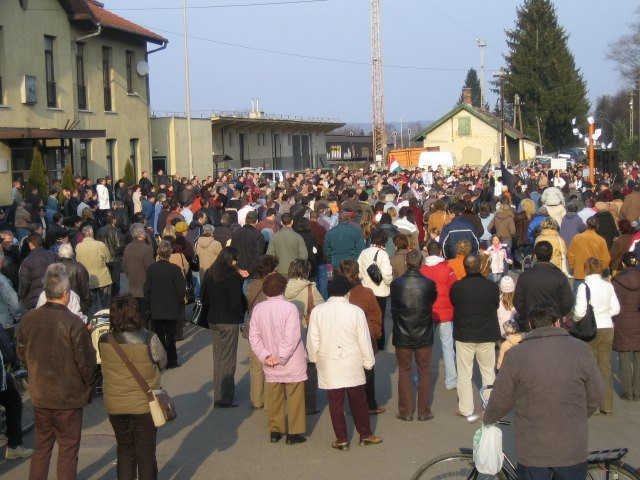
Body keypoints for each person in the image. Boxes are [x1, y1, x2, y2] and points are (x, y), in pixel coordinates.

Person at [484, 304, 604, 479]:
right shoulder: (580, 349)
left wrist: (489, 416)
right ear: (557, 323)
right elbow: (596, 393)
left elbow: (502, 397)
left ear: (531, 325)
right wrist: (579, 414)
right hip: (571, 446)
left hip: (533, 448)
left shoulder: (516, 354)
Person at [16, 267, 96, 480]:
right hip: (68, 396)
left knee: (42, 447)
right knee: (68, 450)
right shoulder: (74, 323)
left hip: (41, 393)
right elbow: (87, 362)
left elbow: (21, 352)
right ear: (66, 294)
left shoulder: (28, 320)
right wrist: (87, 387)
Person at [306, 275, 382, 451]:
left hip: (328, 360)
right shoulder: (355, 311)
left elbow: (313, 339)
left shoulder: (318, 311)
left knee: (335, 402)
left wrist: (314, 358)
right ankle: (365, 434)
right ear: (348, 292)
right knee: (359, 400)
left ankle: (341, 439)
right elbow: (363, 339)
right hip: (352, 360)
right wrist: (368, 361)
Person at [98, 295, 167, 479]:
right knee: (146, 453)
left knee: (125, 450)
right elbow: (162, 360)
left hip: (115, 404)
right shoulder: (149, 338)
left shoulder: (105, 340)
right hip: (144, 405)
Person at [249, 273, 308, 445]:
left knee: (274, 397)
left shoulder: (259, 308)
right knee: (295, 397)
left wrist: (265, 355)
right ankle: (294, 433)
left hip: (269, 360)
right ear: (284, 288)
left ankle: (275, 430)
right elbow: (292, 336)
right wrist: (281, 356)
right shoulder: (289, 308)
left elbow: (254, 336)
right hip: (291, 360)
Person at [450, 254, 501, 417]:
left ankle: (466, 408)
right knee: (488, 371)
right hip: (487, 333)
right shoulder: (492, 286)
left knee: (464, 373)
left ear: (465, 268)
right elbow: (496, 304)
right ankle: (489, 406)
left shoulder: (457, 287)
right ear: (479, 266)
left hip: (465, 333)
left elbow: (454, 303)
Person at [390, 250, 437, 422]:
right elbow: (432, 300)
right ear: (421, 263)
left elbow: (394, 305)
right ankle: (423, 411)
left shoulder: (397, 283)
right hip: (423, 331)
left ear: (406, 263)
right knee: (424, 371)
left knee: (404, 371)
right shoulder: (429, 284)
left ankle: (406, 411)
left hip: (402, 331)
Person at [201, 246, 247, 408]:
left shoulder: (210, 272)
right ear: (231, 259)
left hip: (213, 319)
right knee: (228, 360)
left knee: (218, 357)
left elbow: (204, 297)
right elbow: (236, 302)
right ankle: (224, 397)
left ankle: (219, 394)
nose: (237, 262)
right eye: (236, 259)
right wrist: (242, 313)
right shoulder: (233, 277)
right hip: (229, 320)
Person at [574, 257, 620, 415]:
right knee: (605, 367)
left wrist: (575, 320)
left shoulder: (584, 286)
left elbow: (579, 312)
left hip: (590, 329)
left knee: (590, 367)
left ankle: (592, 406)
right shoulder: (608, 286)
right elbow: (616, 308)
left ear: (586, 269)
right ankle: (607, 405)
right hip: (607, 327)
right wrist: (604, 314)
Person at [338, 259, 384, 415]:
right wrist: (376, 334)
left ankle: (350, 404)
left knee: (346, 373)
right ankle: (370, 404)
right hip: (365, 336)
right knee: (368, 372)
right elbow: (376, 316)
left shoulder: (337, 294)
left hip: (343, 338)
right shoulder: (366, 292)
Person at [284, 259, 324, 415]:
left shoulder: (284, 287)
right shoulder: (310, 289)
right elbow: (321, 308)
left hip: (286, 331)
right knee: (309, 366)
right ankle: (309, 404)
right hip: (305, 329)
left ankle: (288, 400)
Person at [420, 241, 458, 391]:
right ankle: (451, 381)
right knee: (448, 348)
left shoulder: (422, 270)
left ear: (427, 252)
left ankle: (420, 378)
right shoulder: (448, 270)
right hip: (446, 314)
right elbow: (454, 290)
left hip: (427, 313)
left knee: (424, 348)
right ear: (440, 252)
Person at [144, 240, 186, 370]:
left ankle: (161, 361)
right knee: (171, 336)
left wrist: (149, 304)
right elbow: (181, 289)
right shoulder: (175, 269)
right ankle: (171, 361)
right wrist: (180, 302)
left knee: (159, 336)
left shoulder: (151, 269)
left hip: (156, 308)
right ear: (170, 253)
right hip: (171, 308)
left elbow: (147, 289)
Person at [244, 255, 279, 410]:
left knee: (256, 365)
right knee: (270, 365)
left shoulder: (249, 285)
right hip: (270, 329)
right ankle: (270, 399)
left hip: (253, 327)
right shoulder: (274, 286)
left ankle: (257, 400)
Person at [514, 241, 574, 331]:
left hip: (532, 323)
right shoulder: (559, 276)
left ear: (535, 255)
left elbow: (518, 302)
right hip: (554, 322)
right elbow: (568, 302)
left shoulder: (524, 277)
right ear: (551, 255)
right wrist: (557, 314)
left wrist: (528, 315)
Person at [357, 229, 393, 350]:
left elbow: (359, 272)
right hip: (380, 291)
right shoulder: (383, 254)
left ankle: (367, 340)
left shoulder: (364, 252)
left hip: (366, 288)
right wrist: (389, 283)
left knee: (366, 317)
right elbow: (387, 274)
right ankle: (379, 342)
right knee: (379, 317)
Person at [611, 253, 640, 401]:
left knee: (623, 356)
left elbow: (613, 303)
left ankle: (627, 391)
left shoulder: (616, 281)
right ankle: (638, 391)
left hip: (622, 321)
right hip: (638, 322)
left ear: (623, 264)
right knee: (638, 357)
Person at [123, 224, 155, 327]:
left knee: (136, 315)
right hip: (144, 288)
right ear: (142, 234)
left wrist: (130, 276)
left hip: (132, 286)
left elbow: (124, 266)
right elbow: (150, 270)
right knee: (145, 315)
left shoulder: (127, 248)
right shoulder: (146, 249)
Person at [76, 225, 113, 313]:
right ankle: (107, 322)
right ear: (92, 233)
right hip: (103, 277)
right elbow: (108, 258)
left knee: (93, 305)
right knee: (106, 305)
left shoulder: (78, 247)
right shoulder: (100, 245)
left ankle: (94, 322)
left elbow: (78, 261)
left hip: (88, 278)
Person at [568, 216, 611, 291]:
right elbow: (606, 259)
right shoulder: (601, 240)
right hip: (594, 274)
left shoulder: (577, 238)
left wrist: (573, 266)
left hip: (579, 274)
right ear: (597, 226)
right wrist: (599, 270)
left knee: (579, 300)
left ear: (586, 225)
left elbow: (570, 255)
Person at [18, 233, 56, 310]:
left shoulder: (26, 262)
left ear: (30, 244)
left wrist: (22, 297)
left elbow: (25, 284)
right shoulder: (53, 256)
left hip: (34, 300)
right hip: (52, 296)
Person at [97, 211, 125, 297]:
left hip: (104, 258)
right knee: (115, 281)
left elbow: (98, 244)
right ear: (113, 220)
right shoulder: (116, 231)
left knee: (106, 280)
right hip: (115, 259)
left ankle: (106, 296)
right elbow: (119, 246)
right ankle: (115, 297)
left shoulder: (99, 230)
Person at [231, 210, 265, 275]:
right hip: (252, 273)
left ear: (245, 220)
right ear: (257, 221)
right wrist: (249, 271)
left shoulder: (236, 233)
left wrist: (238, 269)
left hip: (237, 271)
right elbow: (257, 256)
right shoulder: (259, 235)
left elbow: (232, 253)